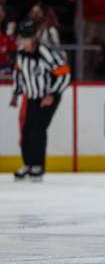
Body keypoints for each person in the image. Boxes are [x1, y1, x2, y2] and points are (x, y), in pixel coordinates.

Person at [10, 20, 70, 181]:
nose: (22, 41)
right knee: (26, 130)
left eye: (26, 38)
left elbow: (64, 73)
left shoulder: (44, 52)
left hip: (48, 97)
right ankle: (28, 164)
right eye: (21, 37)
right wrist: (16, 93)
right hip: (31, 96)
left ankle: (38, 165)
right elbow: (18, 72)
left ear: (34, 38)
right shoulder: (21, 52)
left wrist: (52, 94)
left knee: (38, 129)